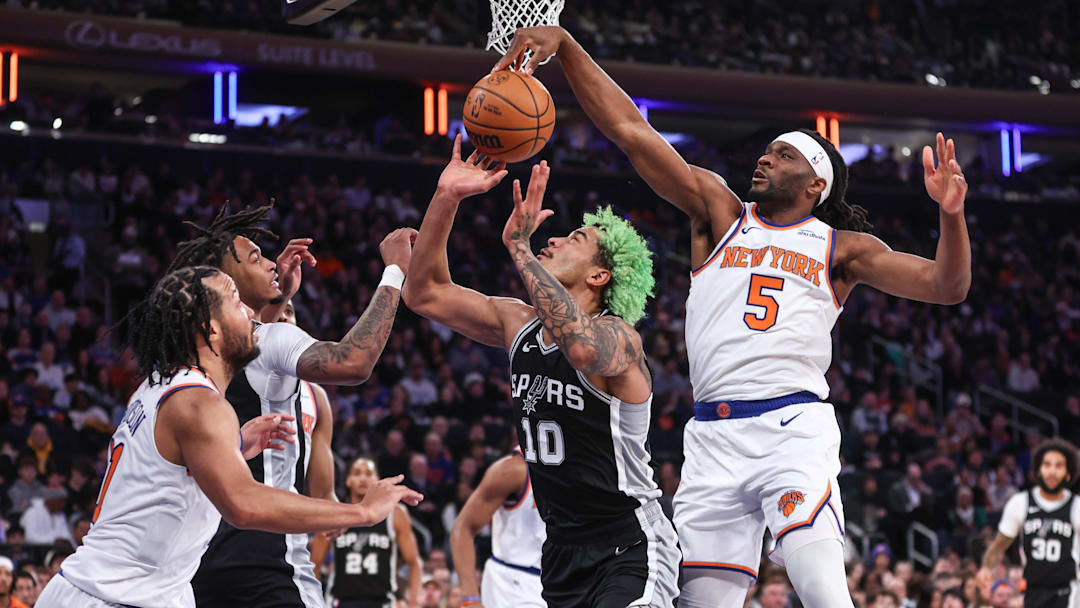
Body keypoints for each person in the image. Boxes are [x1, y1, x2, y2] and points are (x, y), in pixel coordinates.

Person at [494, 26, 971, 608]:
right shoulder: (719, 213)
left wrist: (951, 216)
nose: (765, 157)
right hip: (712, 437)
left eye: (784, 153)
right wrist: (568, 48)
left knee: (823, 590)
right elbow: (631, 134)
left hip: (792, 427)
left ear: (816, 184)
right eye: (767, 149)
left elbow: (947, 287)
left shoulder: (843, 248)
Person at [36, 266, 422, 608]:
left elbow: (161, 472)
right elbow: (244, 504)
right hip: (117, 595)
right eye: (237, 302)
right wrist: (362, 512)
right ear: (210, 329)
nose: (252, 313)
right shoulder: (199, 404)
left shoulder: (159, 386)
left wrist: (234, 444)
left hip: (105, 588)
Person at [403, 139, 680, 607]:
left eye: (575, 240)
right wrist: (447, 196)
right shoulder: (519, 324)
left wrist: (520, 249)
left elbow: (583, 351)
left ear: (599, 277)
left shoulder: (621, 339)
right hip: (559, 554)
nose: (553, 238)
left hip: (629, 544)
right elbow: (425, 292)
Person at [165, 207, 416, 608]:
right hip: (268, 564)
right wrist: (395, 272)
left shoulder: (187, 353)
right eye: (255, 258)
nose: (270, 261)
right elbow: (354, 361)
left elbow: (249, 360)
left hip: (193, 565)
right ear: (224, 283)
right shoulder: (271, 338)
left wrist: (274, 295)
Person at [310, 458, 424, 608]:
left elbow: (414, 562)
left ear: (377, 480)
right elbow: (314, 563)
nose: (363, 478)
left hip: (382, 602)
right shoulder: (335, 513)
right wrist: (314, 601)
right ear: (348, 480)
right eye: (357, 473)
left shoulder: (395, 513)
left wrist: (414, 602)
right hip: (340, 602)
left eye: (369, 474)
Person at [980, 439, 1079, 608]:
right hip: (1033, 590)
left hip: (1068, 590)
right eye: (1047, 465)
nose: (1052, 472)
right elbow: (1000, 544)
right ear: (1038, 470)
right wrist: (986, 568)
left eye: (1059, 466)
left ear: (1068, 473)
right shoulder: (1020, 502)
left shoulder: (1076, 506)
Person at [449, 448, 545, 608]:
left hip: (566, 581)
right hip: (515, 584)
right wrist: (470, 599)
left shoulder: (586, 464)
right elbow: (463, 527)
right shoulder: (513, 469)